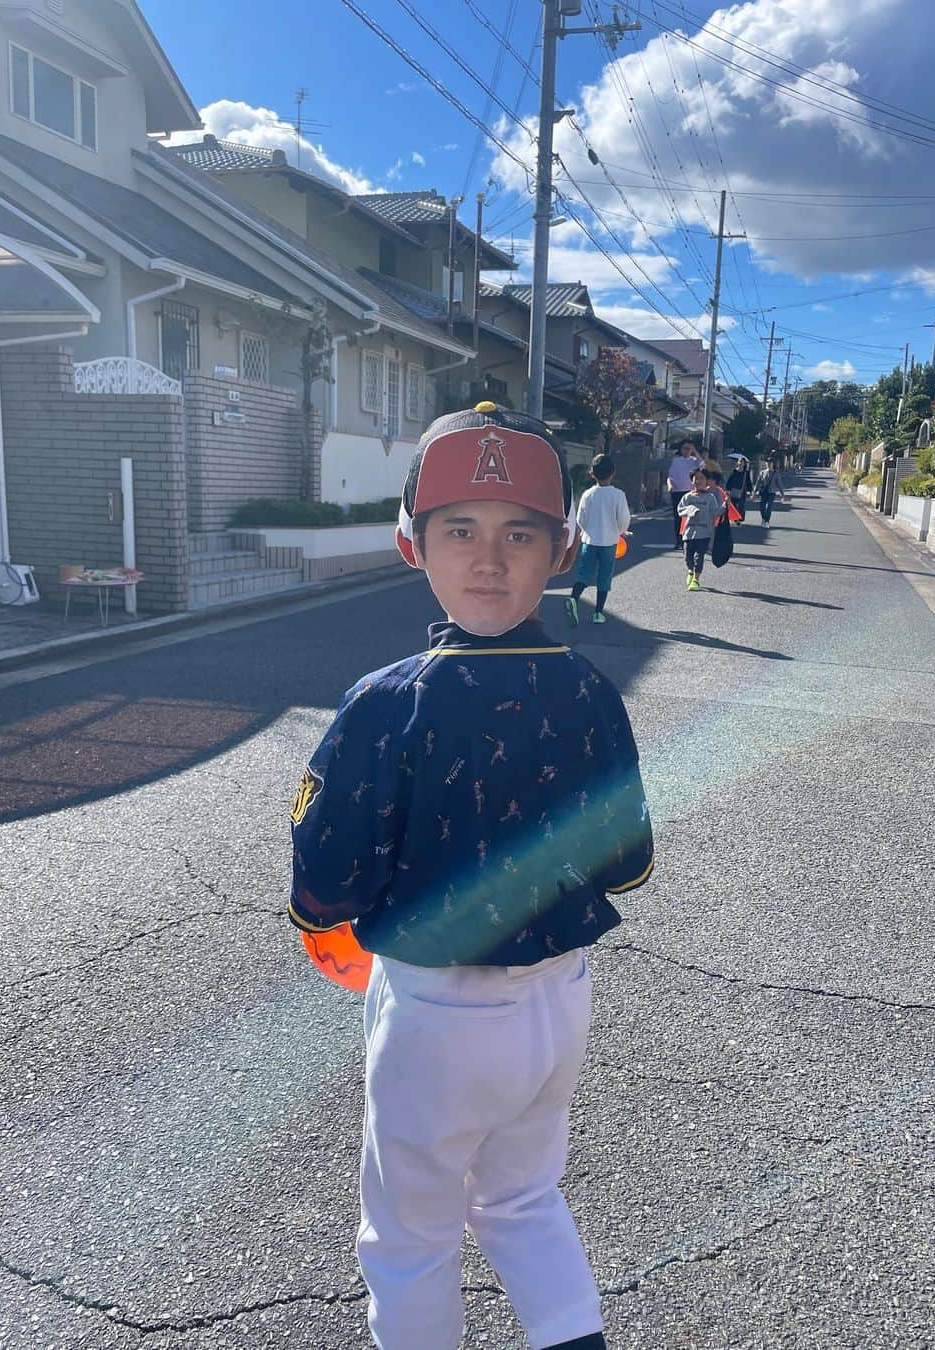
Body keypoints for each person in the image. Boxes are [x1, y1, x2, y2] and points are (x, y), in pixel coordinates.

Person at [288, 402, 655, 1350]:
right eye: (464, 531)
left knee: (410, 1233)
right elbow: (628, 862)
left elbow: (326, 882)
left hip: (435, 1007)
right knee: (525, 1196)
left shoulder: (384, 704)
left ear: (558, 549)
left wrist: (329, 916)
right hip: (557, 1002)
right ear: (418, 544)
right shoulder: (587, 690)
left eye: (516, 534)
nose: (489, 560)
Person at [566, 454, 631, 626]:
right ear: (613, 473)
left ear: (592, 474)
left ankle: (573, 598)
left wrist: (587, 531)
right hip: (609, 542)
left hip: (589, 540)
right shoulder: (618, 495)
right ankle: (598, 613)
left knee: (584, 573)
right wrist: (620, 531)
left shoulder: (588, 494)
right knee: (604, 577)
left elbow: (580, 519)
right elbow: (623, 520)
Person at [677, 466, 722, 591]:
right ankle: (690, 571)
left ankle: (696, 580)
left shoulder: (710, 497)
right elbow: (680, 510)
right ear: (692, 480)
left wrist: (724, 506)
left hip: (704, 532)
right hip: (688, 532)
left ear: (706, 480)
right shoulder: (687, 497)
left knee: (699, 556)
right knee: (687, 557)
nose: (699, 481)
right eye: (696, 478)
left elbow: (715, 513)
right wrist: (690, 510)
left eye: (702, 478)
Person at [666, 441, 701, 549]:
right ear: (681, 449)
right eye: (684, 448)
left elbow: (703, 465)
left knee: (690, 517)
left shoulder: (694, 461)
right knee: (678, 518)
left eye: (689, 448)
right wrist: (669, 485)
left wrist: (695, 451)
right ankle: (679, 541)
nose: (686, 451)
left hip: (690, 492)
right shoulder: (676, 461)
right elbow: (670, 476)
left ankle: (689, 539)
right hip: (677, 492)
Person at [755, 456, 786, 525]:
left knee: (769, 507)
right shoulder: (762, 472)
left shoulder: (776, 473)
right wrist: (754, 492)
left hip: (771, 492)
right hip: (764, 492)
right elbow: (758, 483)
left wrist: (782, 494)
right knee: (761, 508)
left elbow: (779, 484)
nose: (768, 464)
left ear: (772, 464)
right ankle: (764, 518)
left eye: (770, 463)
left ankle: (766, 521)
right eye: (767, 463)